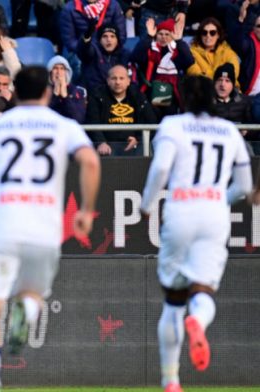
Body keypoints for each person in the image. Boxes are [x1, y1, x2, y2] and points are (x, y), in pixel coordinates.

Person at [0, 65, 101, 392]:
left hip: (3, 225)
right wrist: (87, 211)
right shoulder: (63, 125)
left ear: (14, 93)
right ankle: (29, 310)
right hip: (44, 230)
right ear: (48, 93)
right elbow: (91, 161)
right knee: (32, 294)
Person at [140, 75, 253, 392]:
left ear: (184, 96)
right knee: (203, 293)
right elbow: (244, 186)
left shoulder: (173, 126)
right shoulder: (229, 131)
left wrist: (147, 204)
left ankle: (171, 380)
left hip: (181, 212)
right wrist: (218, 198)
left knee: (174, 301)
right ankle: (198, 322)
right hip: (214, 216)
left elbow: (161, 169)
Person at [86, 64, 157, 156]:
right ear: (108, 81)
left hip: (134, 145)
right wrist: (101, 142)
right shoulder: (97, 96)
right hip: (107, 146)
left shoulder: (138, 97)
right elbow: (92, 122)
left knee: (145, 148)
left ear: (128, 81)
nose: (118, 82)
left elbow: (151, 122)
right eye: (114, 78)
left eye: (121, 78)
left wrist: (137, 139)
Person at [187, 17, 240, 86]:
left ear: (218, 35)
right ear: (200, 35)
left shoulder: (228, 53)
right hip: (203, 91)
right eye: (204, 32)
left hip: (228, 92)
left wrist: (206, 74)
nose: (208, 36)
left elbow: (232, 75)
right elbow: (195, 74)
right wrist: (219, 76)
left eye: (212, 33)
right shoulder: (191, 53)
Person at [47, 55, 87, 123]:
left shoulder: (78, 91)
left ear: (67, 72)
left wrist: (65, 97)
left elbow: (78, 118)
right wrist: (55, 95)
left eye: (62, 68)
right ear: (50, 72)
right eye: (55, 68)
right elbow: (43, 116)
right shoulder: (43, 91)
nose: (58, 72)